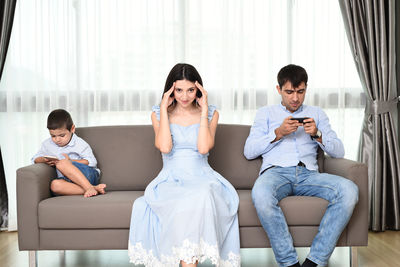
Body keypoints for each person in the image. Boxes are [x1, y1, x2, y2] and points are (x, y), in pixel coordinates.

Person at [244, 64, 359, 267]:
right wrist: (278, 133)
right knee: (260, 194)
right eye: (289, 92)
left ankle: (314, 261)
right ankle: (289, 263)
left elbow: (339, 152)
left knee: (349, 190)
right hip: (275, 173)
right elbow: (249, 150)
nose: (295, 98)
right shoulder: (265, 114)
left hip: (309, 175)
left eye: (300, 92)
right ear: (279, 90)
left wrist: (317, 134)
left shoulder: (317, 113)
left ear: (306, 89)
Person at [128, 63, 240, 267]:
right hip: (171, 177)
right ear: (170, 90)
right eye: (179, 90)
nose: (185, 96)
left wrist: (204, 109)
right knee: (180, 202)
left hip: (203, 177)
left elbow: (204, 148)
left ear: (199, 90)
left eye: (190, 90)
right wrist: (163, 109)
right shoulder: (158, 113)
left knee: (201, 195)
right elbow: (164, 147)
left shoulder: (211, 113)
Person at [32, 109, 106, 198]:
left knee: (62, 163)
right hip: (68, 180)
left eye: (62, 135)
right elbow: (35, 159)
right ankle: (93, 189)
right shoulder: (47, 144)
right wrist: (43, 160)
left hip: (88, 175)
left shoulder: (79, 143)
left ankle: (89, 186)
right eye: (53, 136)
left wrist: (70, 161)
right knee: (55, 185)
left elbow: (91, 161)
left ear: (72, 129)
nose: (57, 139)